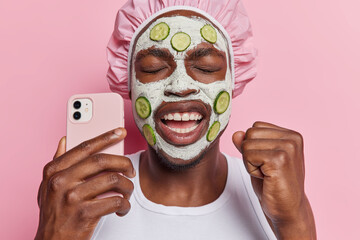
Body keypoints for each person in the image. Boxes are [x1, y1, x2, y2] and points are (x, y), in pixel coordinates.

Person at [35, 0, 316, 239]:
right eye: (153, 67)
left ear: (233, 81)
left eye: (206, 67)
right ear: (129, 85)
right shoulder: (80, 197)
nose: (180, 86)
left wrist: (294, 222)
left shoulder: (276, 195)